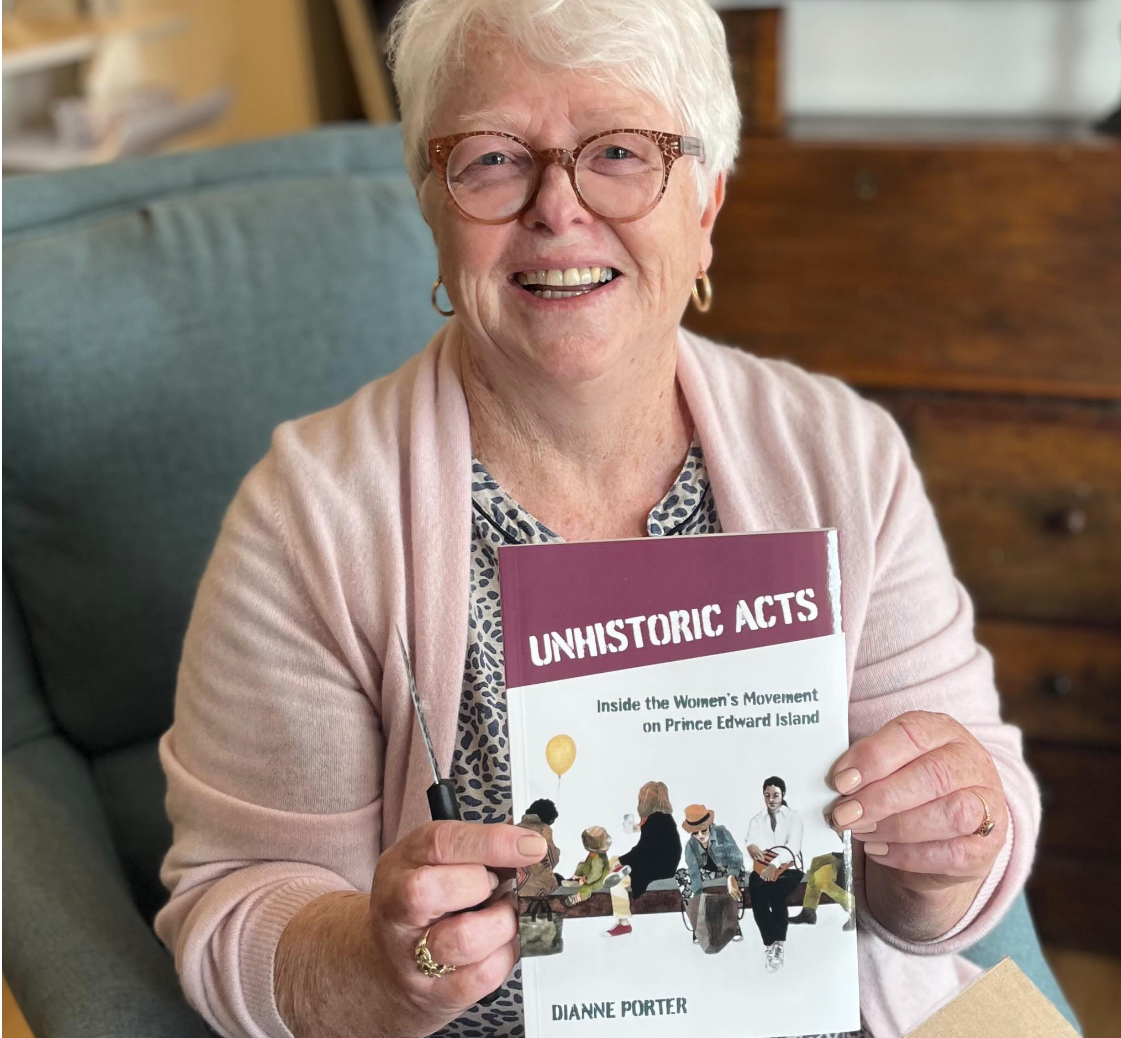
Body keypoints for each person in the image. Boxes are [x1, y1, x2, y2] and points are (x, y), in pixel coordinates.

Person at [153, 1, 1039, 1036]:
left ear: (704, 204)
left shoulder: (840, 452)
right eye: (491, 160)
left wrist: (944, 850)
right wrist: (370, 963)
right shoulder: (312, 513)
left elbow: (961, 836)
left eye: (619, 151)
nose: (555, 209)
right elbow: (234, 906)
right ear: (432, 206)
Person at [745, 777, 805, 973]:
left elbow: (793, 847)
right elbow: (750, 839)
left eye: (776, 795)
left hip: (789, 868)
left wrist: (775, 864)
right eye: (767, 795)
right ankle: (770, 942)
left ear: (783, 795)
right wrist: (752, 847)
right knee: (756, 889)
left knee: (775, 890)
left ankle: (778, 945)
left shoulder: (793, 817)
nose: (771, 799)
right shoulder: (757, 818)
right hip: (764, 868)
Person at [617, 780, 682, 898]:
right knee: (620, 866)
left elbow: (642, 850)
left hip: (656, 870)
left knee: (616, 868)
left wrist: (621, 860)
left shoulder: (655, 820)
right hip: (667, 865)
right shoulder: (665, 818)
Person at [677, 803, 747, 904]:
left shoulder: (721, 832)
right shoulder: (690, 845)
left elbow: (736, 855)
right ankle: (694, 907)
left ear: (709, 826)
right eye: (695, 833)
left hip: (728, 868)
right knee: (680, 874)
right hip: (708, 873)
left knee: (738, 871)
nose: (700, 835)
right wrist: (698, 895)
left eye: (704, 830)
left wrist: (732, 876)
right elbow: (694, 872)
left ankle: (736, 903)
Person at [515, 798, 561, 898]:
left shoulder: (515, 827)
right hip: (535, 884)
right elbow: (551, 857)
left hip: (516, 879)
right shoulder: (544, 828)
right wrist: (558, 852)